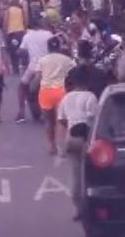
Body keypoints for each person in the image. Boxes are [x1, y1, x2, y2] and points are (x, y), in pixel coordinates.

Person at [57, 68, 98, 220]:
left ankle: (78, 208)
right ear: (87, 81)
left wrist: (60, 145)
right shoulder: (90, 97)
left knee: (75, 175)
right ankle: (91, 206)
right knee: (89, 175)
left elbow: (61, 122)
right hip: (86, 139)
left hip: (71, 138)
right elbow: (93, 120)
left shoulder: (66, 98)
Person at [33, 37, 77, 155]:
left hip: (46, 92)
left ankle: (52, 146)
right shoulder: (68, 60)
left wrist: (33, 89)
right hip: (62, 92)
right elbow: (74, 75)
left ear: (48, 48)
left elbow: (37, 78)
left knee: (49, 122)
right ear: (58, 47)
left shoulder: (42, 60)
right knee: (62, 121)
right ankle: (62, 146)